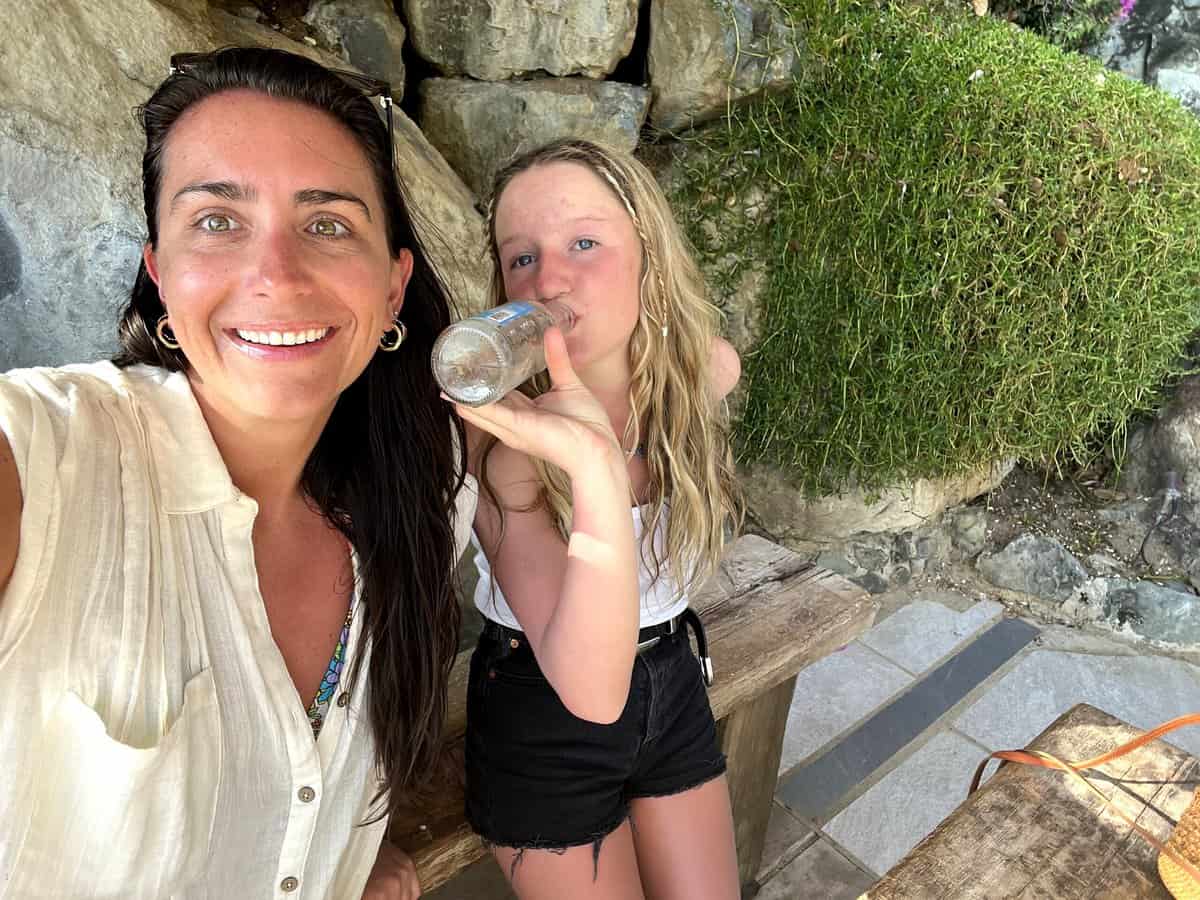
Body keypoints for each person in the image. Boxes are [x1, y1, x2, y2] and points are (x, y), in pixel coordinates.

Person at [0, 46, 476, 899]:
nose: (275, 276)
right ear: (160, 273)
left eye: (327, 224)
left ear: (393, 287)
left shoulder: (420, 481)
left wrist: (342, 834)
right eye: (217, 221)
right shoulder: (50, 457)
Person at [452, 139, 744, 899]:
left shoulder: (699, 376)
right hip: (544, 712)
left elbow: (708, 363)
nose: (548, 280)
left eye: (584, 243)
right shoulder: (506, 448)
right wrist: (590, 465)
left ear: (650, 256)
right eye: (522, 258)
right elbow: (590, 689)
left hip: (672, 677)